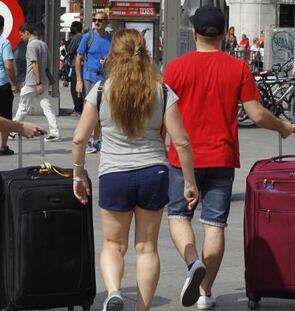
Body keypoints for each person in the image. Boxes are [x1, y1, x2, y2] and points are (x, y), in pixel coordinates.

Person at [163, 5, 295, 309]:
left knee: (178, 216)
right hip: (222, 157)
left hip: (182, 158)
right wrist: (283, 127)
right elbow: (257, 113)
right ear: (223, 36)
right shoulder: (237, 68)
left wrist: (160, 146)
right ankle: (205, 293)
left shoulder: (175, 69)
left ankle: (192, 262)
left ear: (194, 33)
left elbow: (162, 115)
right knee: (214, 225)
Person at [72, 28, 198, 311]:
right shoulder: (162, 91)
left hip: (114, 174)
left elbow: (79, 138)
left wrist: (78, 174)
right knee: (147, 247)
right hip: (153, 173)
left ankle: (115, 292)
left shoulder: (102, 91)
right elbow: (182, 141)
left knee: (113, 245)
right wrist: (189, 181)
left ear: (112, 56)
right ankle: (142, 308)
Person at [12, 23, 60, 142]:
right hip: (43, 81)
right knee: (47, 107)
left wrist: (38, 82)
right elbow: (48, 63)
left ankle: (12, 131)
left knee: (23, 107)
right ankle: (54, 132)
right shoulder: (43, 44)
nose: (20, 37)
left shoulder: (31, 45)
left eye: (21, 34)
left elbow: (34, 64)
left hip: (32, 82)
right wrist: (42, 79)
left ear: (27, 33)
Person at [76, 12, 111, 153]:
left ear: (106, 22)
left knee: (101, 112)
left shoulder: (111, 39)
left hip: (104, 79)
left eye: (100, 20)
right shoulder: (88, 37)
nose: (96, 22)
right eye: (95, 20)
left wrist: (109, 61)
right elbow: (78, 58)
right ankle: (87, 140)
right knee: (89, 111)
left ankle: (96, 140)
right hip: (89, 78)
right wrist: (79, 80)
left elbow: (116, 58)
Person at [0, 15, 21, 155]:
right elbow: (8, 66)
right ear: (2, 27)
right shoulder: (4, 43)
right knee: (5, 116)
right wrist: (15, 83)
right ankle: (3, 146)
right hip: (2, 85)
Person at [66, 21, 83, 116]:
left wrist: (67, 44)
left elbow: (70, 50)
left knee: (74, 88)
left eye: (71, 27)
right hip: (79, 65)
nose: (70, 29)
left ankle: (77, 109)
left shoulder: (77, 37)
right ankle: (79, 108)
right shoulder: (81, 36)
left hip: (76, 65)